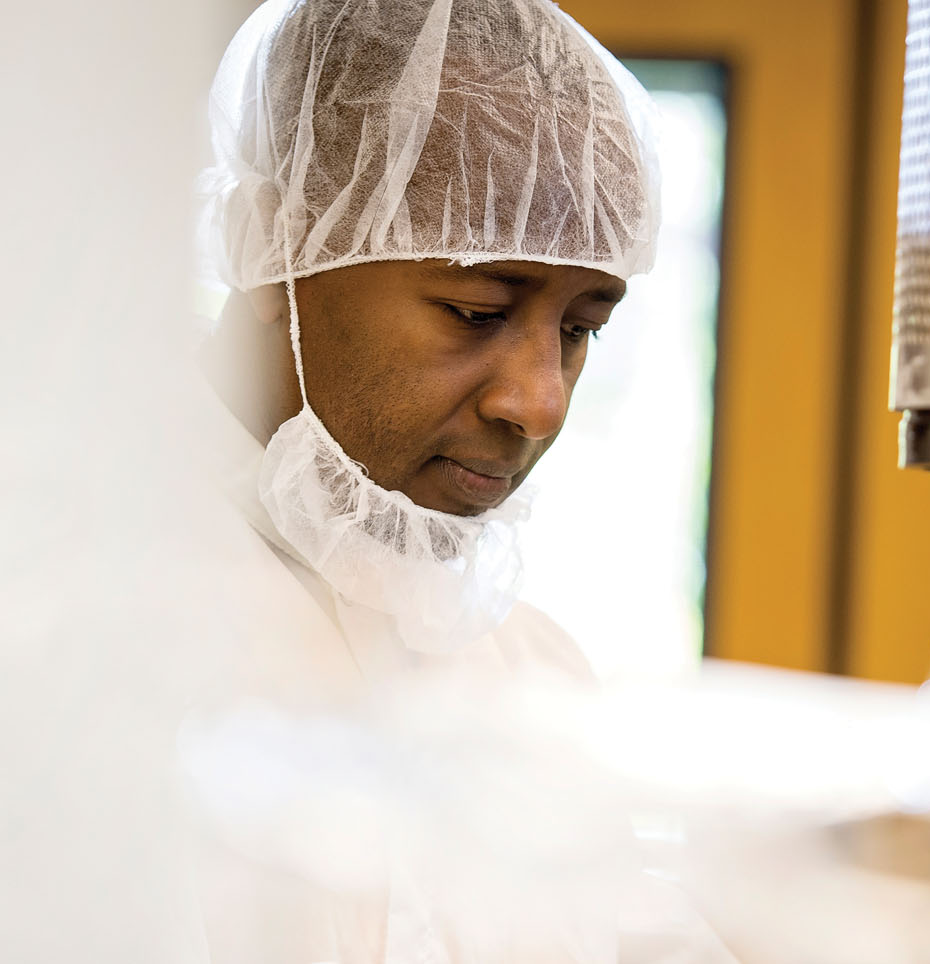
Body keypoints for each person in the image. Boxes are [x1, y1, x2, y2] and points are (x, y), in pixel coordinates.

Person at [189, 0, 736, 959]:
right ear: (275, 245)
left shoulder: (532, 679)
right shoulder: (85, 612)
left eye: (582, 329)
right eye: (477, 310)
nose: (542, 403)